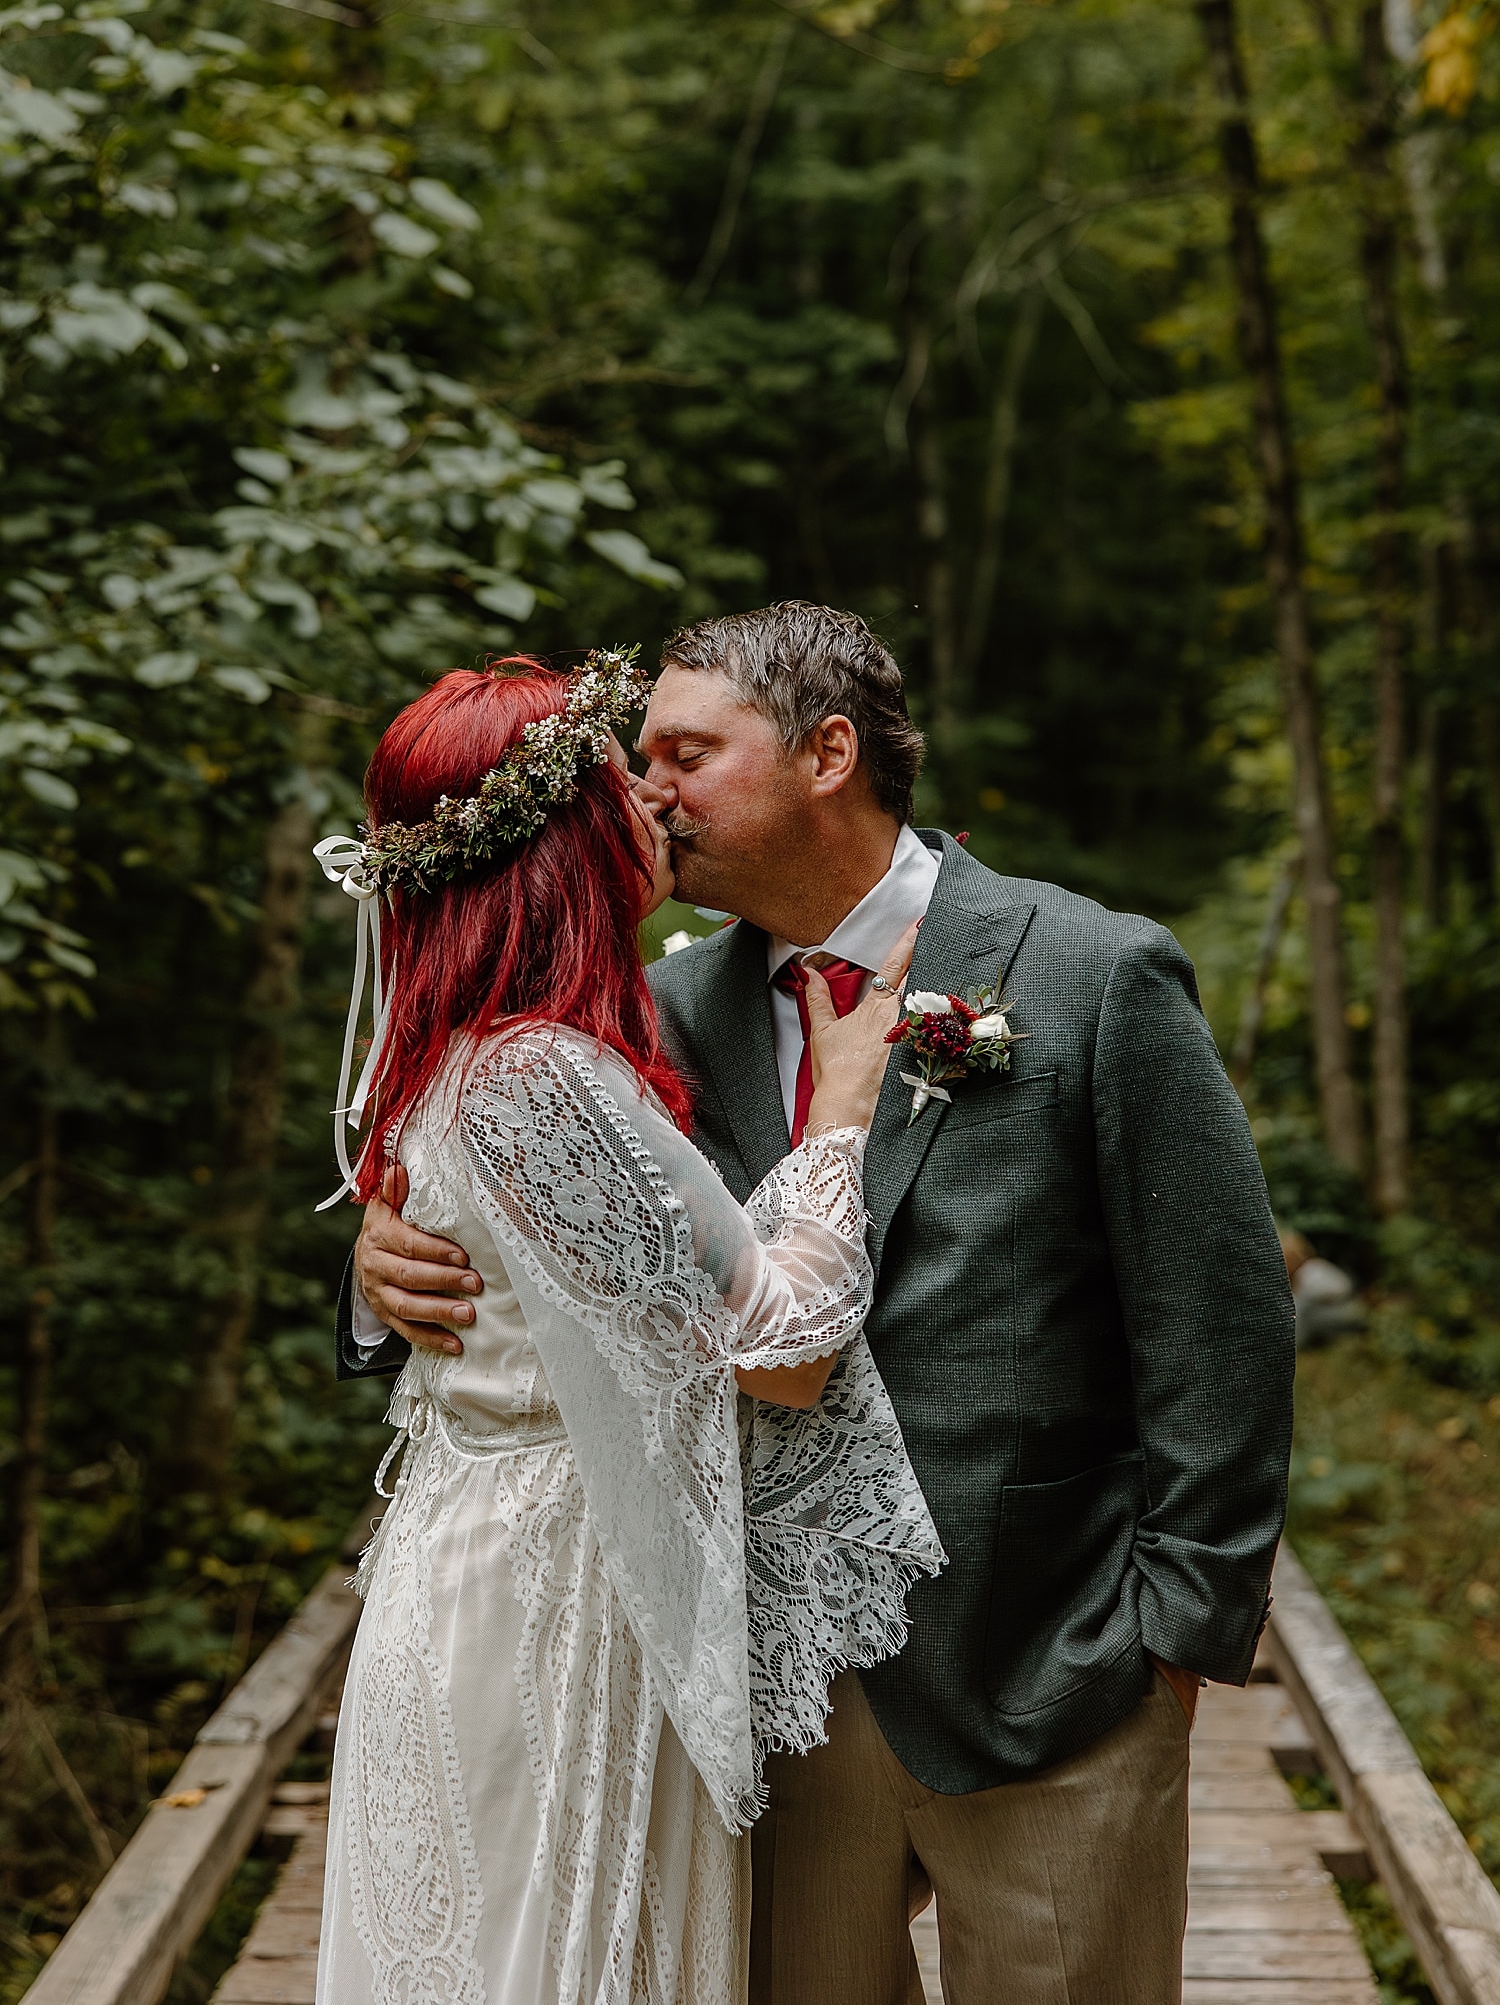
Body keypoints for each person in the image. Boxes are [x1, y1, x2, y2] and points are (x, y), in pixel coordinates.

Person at [348, 603, 1297, 2005]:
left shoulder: (1090, 971)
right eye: (640, 761)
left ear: (828, 755)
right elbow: (553, 1234)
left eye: (685, 755)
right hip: (757, 1705)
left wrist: (1176, 1641)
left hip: (1053, 1662)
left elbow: (1219, 1321)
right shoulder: (650, 1009)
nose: (646, 792)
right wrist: (384, 1263)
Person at [312, 648, 943, 2005]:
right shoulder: (544, 1069)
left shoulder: (468, 1049)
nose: (650, 801)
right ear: (560, 845)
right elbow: (782, 1351)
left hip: (494, 1555)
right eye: (620, 780)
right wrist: (841, 1112)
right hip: (557, 1587)